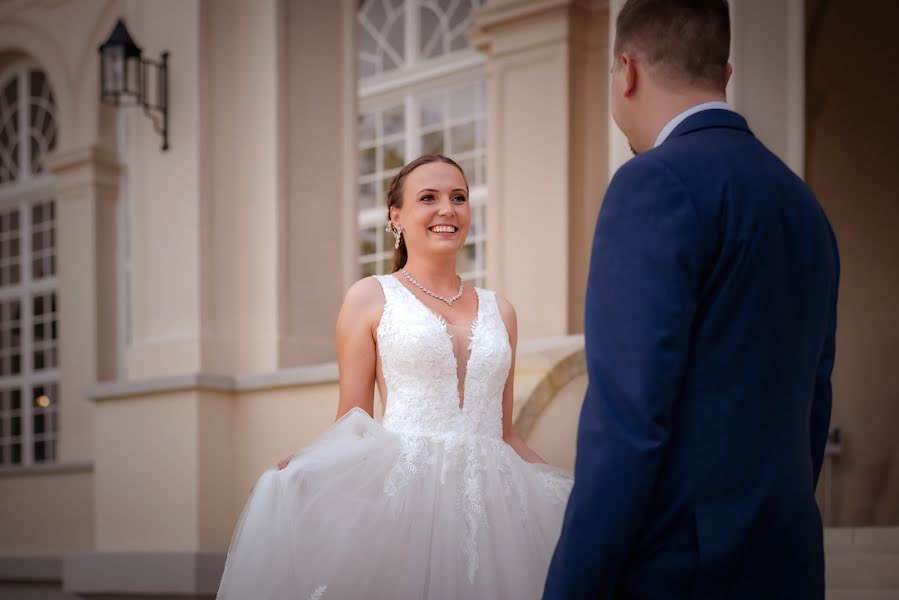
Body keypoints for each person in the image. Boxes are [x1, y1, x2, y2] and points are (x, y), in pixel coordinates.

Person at [543, 1, 839, 598]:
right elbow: (814, 399)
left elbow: (627, 421)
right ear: (723, 75)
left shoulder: (652, 183)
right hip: (787, 559)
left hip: (681, 568)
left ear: (626, 71)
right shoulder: (804, 205)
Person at [216, 155, 572, 600]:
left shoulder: (502, 309)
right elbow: (354, 417)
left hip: (498, 507)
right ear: (396, 217)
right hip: (409, 502)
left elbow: (505, 434)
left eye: (458, 198)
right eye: (429, 198)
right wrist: (308, 466)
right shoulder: (369, 297)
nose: (448, 209)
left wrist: (572, 491)